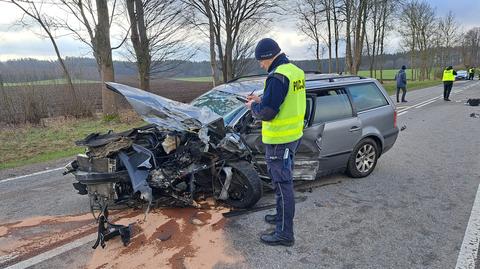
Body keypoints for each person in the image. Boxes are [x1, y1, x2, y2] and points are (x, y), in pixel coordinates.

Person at [245, 38, 306, 247]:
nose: (261, 65)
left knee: (282, 185)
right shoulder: (294, 72)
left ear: (267, 56)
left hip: (280, 141)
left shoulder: (277, 76)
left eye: (260, 61)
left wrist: (253, 109)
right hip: (292, 137)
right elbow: (284, 100)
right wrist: (260, 100)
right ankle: (280, 217)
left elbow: (268, 114)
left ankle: (284, 234)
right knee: (282, 183)